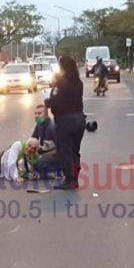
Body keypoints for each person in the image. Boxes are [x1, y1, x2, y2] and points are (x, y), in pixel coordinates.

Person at [45, 55, 86, 189]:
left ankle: (69, 179)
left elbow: (54, 101)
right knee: (75, 150)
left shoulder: (62, 83)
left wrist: (47, 101)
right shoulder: (79, 82)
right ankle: (75, 178)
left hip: (65, 120)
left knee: (65, 150)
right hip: (79, 119)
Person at [30, 104, 61, 179]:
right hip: (45, 154)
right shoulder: (39, 125)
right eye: (36, 113)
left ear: (46, 115)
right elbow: (32, 140)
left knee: (38, 164)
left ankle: (57, 171)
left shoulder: (52, 128)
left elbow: (61, 149)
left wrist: (43, 156)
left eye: (40, 113)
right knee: (29, 160)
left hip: (57, 156)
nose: (37, 116)